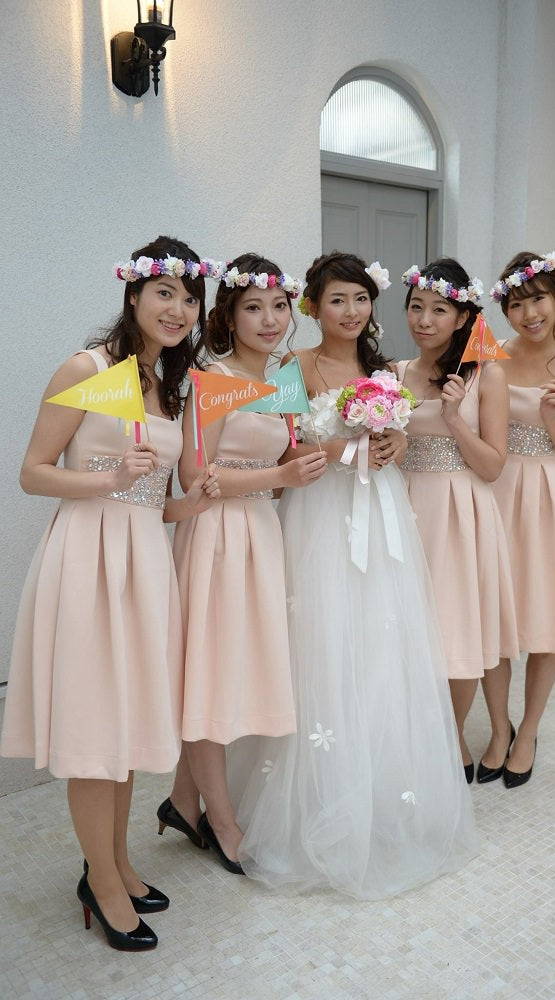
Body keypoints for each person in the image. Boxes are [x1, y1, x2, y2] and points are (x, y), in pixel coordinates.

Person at [234, 251, 476, 900]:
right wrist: (341, 449)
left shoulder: (385, 370)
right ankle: (317, 800)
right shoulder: (294, 366)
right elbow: (286, 445)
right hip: (320, 516)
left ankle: (384, 798)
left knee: (380, 645)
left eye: (361, 298)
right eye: (337, 299)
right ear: (313, 307)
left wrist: (397, 443)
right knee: (323, 642)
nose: (351, 311)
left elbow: (403, 432)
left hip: (382, 512)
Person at [0, 236, 218, 951]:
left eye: (189, 299)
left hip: (144, 563)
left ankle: (118, 863)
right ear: (133, 295)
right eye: (164, 293)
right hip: (88, 563)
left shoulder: (171, 387)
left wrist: (193, 502)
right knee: (96, 729)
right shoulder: (87, 368)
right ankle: (99, 879)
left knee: (123, 727)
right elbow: (33, 472)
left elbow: (155, 503)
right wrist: (107, 478)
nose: (177, 309)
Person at [155, 253, 327, 873]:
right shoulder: (212, 378)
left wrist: (359, 437)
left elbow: (286, 461)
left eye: (279, 306)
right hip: (215, 535)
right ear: (228, 316)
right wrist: (280, 476)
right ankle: (222, 823)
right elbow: (193, 475)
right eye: (253, 307)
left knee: (234, 669)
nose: (270, 319)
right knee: (210, 675)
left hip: (260, 533)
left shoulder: (282, 381)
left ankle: (183, 801)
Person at [478, 251, 555, 787]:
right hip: (494, 490)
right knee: (495, 616)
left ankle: (527, 731)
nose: (529, 314)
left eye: (538, 300)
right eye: (516, 304)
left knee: (545, 620)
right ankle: (497, 729)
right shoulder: (491, 357)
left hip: (547, 497)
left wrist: (551, 417)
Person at [396, 258, 519, 784]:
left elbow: (493, 466)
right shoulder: (395, 373)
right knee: (409, 629)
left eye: (439, 310)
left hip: (461, 513)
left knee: (456, 632)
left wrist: (453, 418)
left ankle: (451, 740)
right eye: (416, 307)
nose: (424, 320)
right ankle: (415, 740)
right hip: (405, 508)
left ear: (463, 316)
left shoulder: (487, 374)